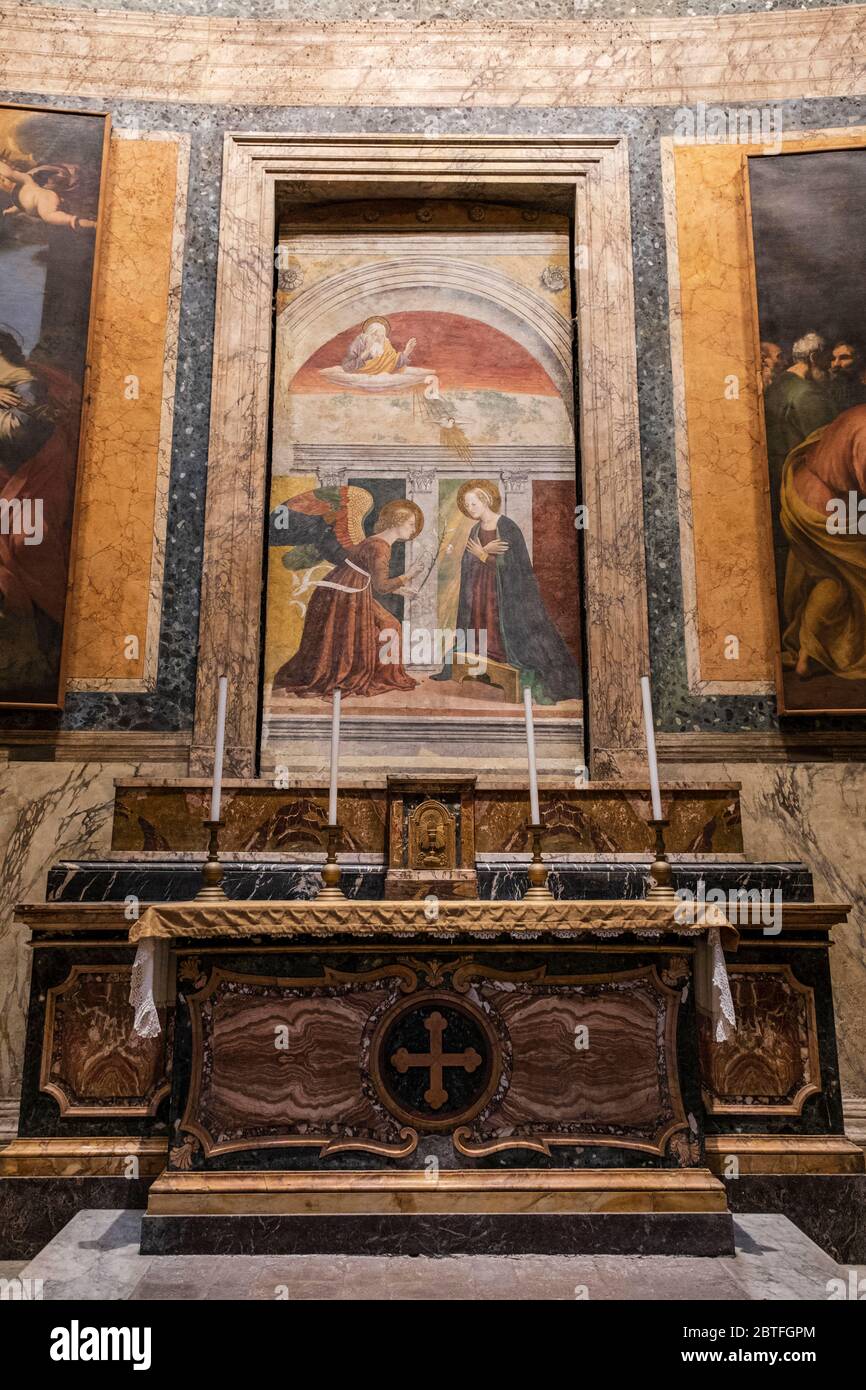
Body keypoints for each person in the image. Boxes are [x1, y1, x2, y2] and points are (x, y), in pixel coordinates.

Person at [433, 479, 581, 705]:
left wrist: (483, 555)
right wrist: (480, 555)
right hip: (480, 589)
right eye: (466, 505)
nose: (469, 509)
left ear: (485, 501)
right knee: (480, 622)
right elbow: (468, 559)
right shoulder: (475, 529)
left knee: (498, 625)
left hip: (504, 593)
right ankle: (482, 656)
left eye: (473, 503)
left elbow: (515, 566)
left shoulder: (508, 526)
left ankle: (501, 655)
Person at [272, 498, 424, 698]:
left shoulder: (376, 541)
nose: (413, 530)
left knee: (389, 624)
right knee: (389, 627)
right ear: (396, 522)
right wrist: (408, 575)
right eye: (410, 524)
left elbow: (369, 576)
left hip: (347, 589)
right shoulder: (381, 547)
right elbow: (380, 585)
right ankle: (371, 674)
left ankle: (376, 672)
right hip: (344, 594)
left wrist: (400, 590)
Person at [0, 330, 80, 698]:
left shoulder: (27, 384)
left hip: (38, 477)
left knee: (32, 548)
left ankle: (45, 650)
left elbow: (20, 437)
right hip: (14, 482)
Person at [779, 404, 866, 682]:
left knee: (831, 578)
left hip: (804, 489)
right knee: (846, 576)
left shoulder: (857, 412)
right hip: (822, 508)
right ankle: (812, 654)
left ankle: (806, 654)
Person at [341, 317, 416, 375]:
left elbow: (393, 363)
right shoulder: (359, 344)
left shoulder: (385, 344)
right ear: (368, 334)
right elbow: (347, 367)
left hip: (381, 379)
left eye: (381, 336)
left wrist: (407, 351)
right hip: (360, 378)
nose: (378, 338)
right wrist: (364, 355)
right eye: (374, 335)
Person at [829, 338, 866, 413]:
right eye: (833, 358)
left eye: (843, 358)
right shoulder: (836, 384)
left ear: (859, 358)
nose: (836, 364)